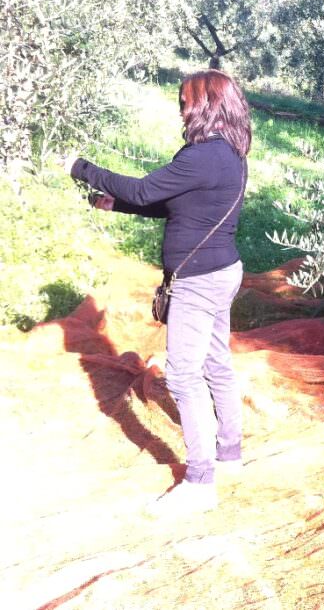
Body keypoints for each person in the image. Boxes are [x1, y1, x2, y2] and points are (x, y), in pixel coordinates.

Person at [66, 69, 251, 516]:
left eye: (185, 99)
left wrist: (79, 167)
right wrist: (116, 203)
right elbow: (175, 203)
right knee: (216, 364)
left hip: (198, 281)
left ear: (204, 105)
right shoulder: (225, 153)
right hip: (222, 271)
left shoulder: (204, 155)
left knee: (184, 376)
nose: (180, 107)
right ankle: (230, 453)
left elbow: (146, 188)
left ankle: (201, 482)